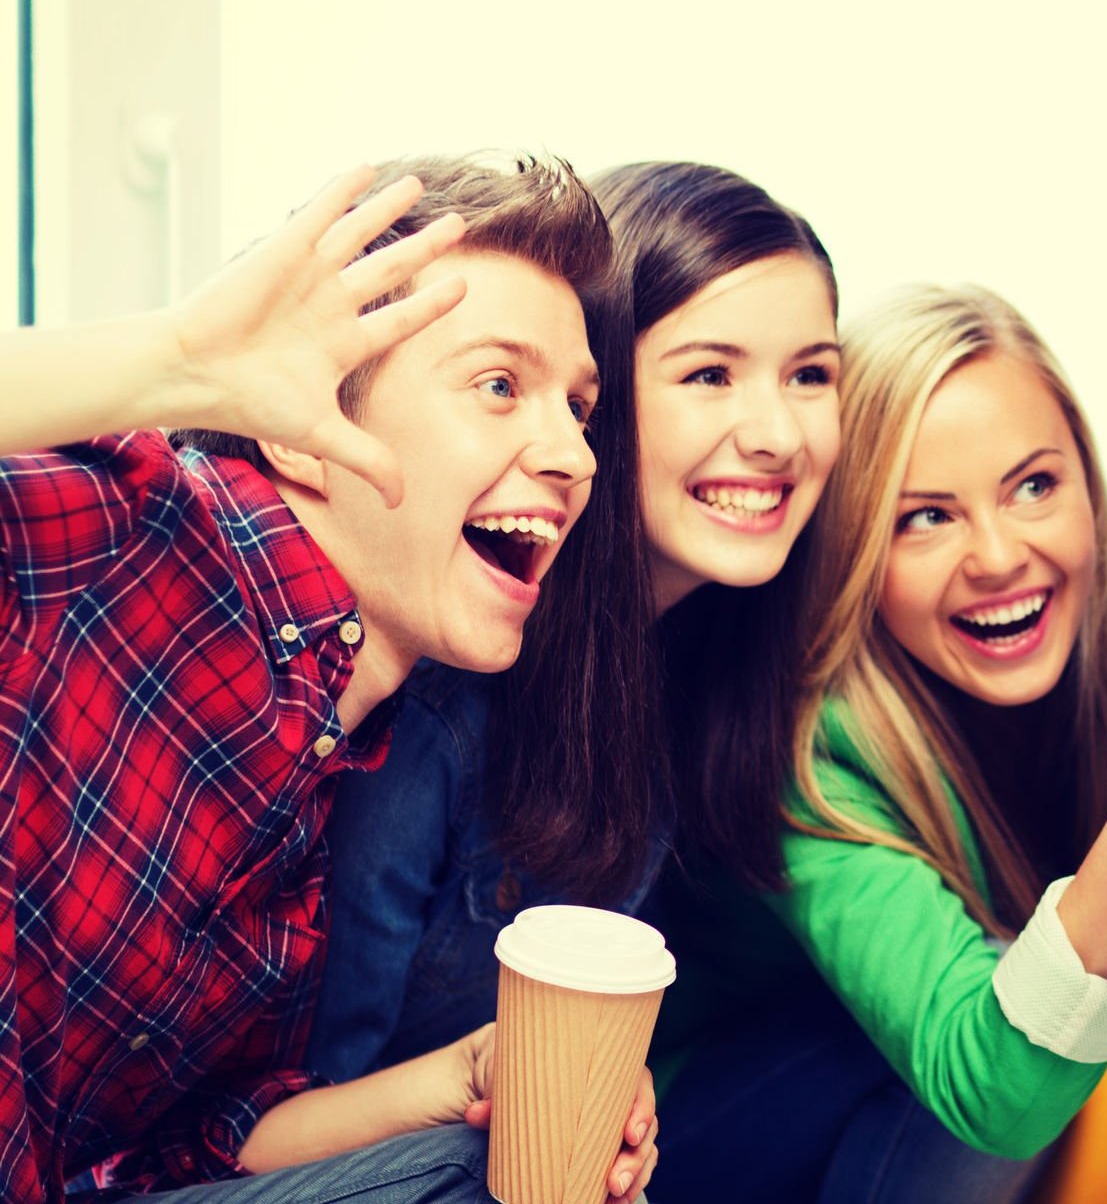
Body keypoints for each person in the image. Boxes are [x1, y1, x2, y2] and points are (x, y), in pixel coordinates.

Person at [0, 156, 659, 1203]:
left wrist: (464, 1077)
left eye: (577, 409)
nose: (576, 457)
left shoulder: (326, 771)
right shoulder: (128, 533)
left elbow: (203, 1143)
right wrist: (176, 358)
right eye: (500, 385)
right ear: (305, 432)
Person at [655, 286, 1107, 1204]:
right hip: (731, 1111)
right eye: (926, 518)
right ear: (855, 551)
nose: (997, 556)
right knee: (994, 1046)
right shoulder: (800, 753)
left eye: (1035, 485)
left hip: (973, 1044)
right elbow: (988, 1088)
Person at [303, 161, 849, 1203]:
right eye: (709, 375)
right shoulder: (437, 687)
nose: (778, 434)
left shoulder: (700, 662)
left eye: (810, 375)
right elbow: (304, 1105)